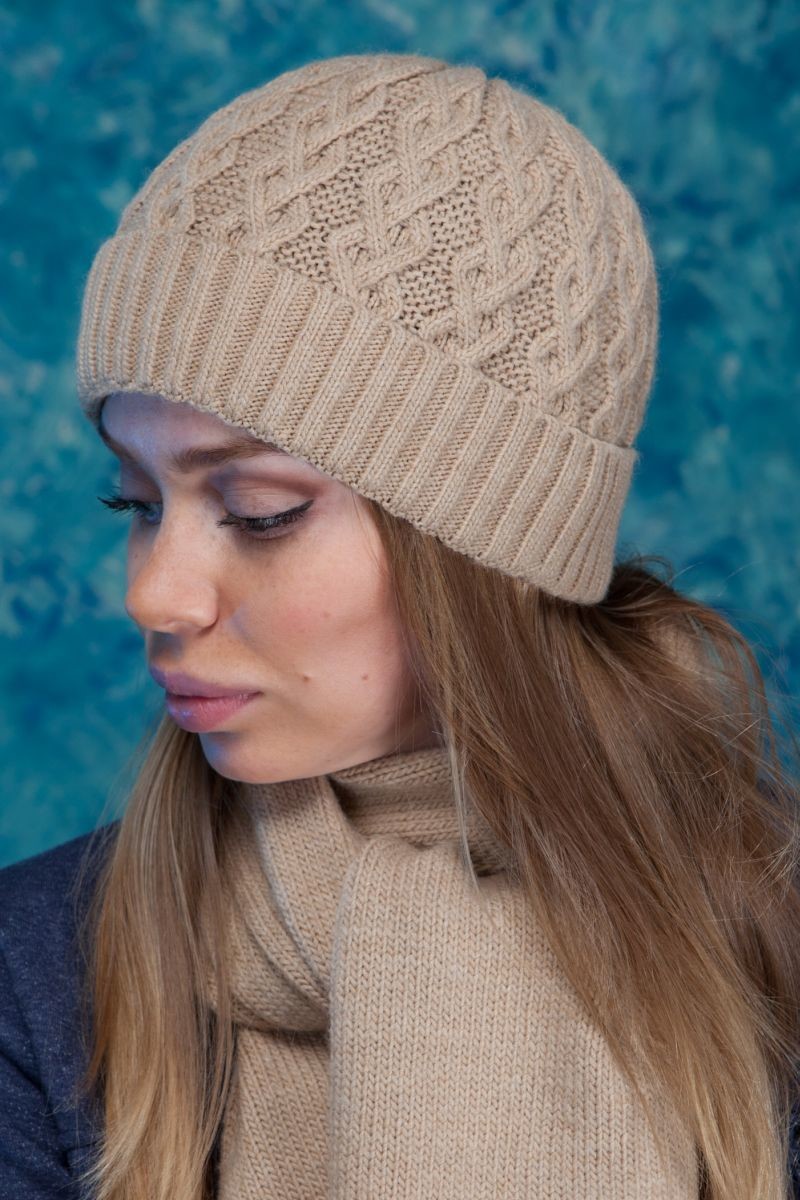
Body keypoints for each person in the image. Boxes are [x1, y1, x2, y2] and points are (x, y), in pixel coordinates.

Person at [2, 50, 799, 1200]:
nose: (155, 595)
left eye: (258, 512)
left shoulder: (763, 943)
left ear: (487, 543)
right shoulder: (40, 974)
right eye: (136, 502)